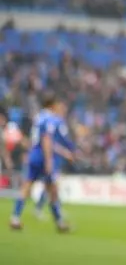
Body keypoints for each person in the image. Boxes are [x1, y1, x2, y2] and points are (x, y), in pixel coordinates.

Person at [9, 96, 71, 233]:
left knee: (27, 185)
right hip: (43, 156)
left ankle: (15, 217)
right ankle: (59, 222)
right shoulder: (51, 119)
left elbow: (36, 138)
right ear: (52, 105)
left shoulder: (39, 117)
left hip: (34, 154)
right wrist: (49, 160)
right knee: (52, 189)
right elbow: (47, 139)